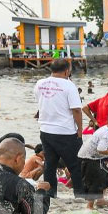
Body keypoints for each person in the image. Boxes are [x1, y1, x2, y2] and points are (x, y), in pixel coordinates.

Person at [36, 59, 85, 198]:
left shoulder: (40, 84)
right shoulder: (69, 85)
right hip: (66, 132)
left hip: (45, 130)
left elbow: (41, 104)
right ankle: (80, 195)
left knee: (50, 165)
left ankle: (51, 195)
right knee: (76, 165)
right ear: (67, 71)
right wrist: (80, 130)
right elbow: (76, 110)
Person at [76, 108, 108, 209]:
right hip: (89, 158)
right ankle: (89, 206)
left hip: (95, 158)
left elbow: (102, 149)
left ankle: (100, 199)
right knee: (95, 181)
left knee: (106, 175)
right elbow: (101, 149)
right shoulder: (107, 134)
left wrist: (106, 159)